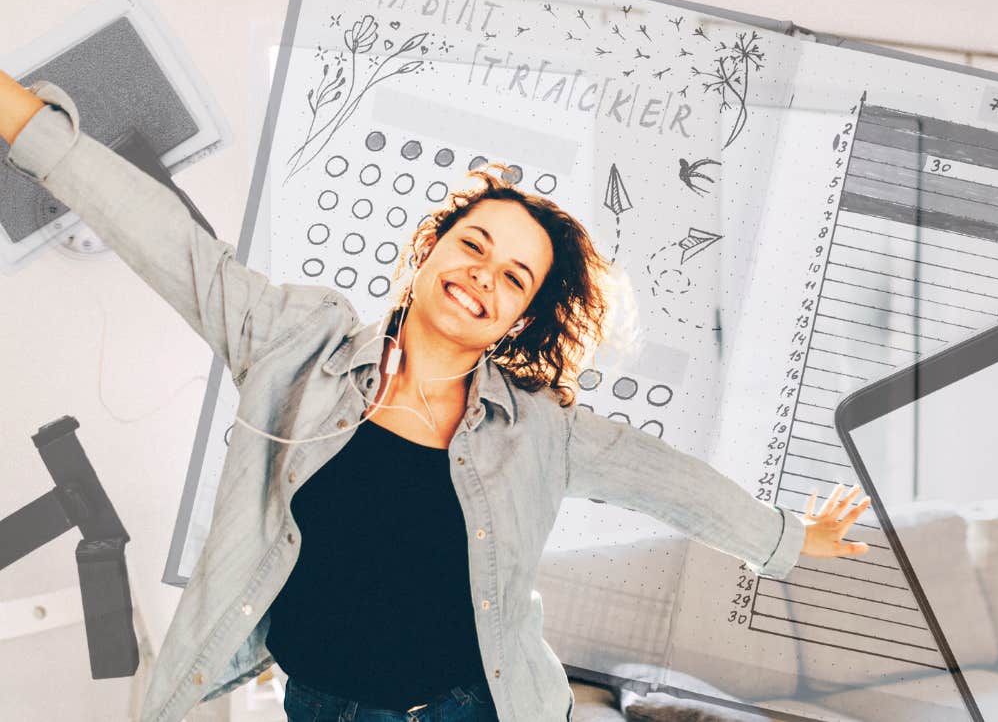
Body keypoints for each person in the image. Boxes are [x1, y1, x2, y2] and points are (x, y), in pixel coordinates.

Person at [1, 66, 873, 722]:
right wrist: (24, 122)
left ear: (517, 320)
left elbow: (672, 481)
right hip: (323, 706)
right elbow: (157, 234)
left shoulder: (537, 429)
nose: (481, 275)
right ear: (429, 253)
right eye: (473, 245)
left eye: (512, 276)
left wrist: (789, 540)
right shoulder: (294, 344)